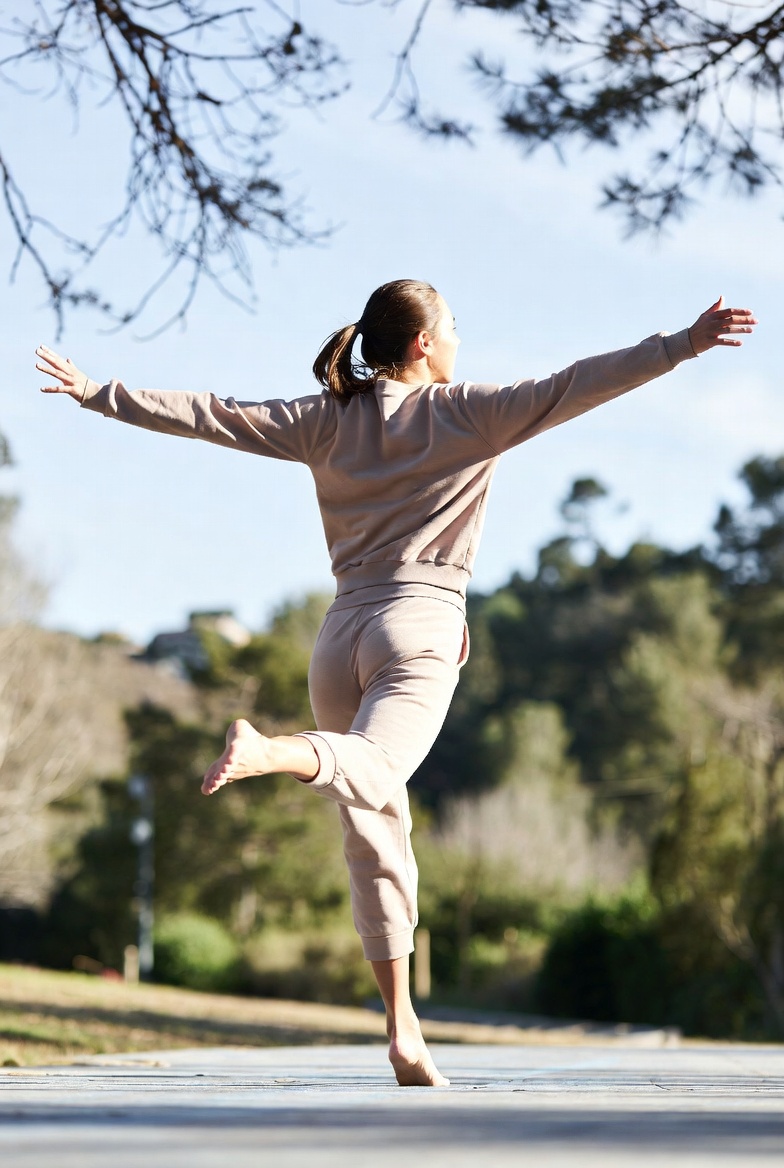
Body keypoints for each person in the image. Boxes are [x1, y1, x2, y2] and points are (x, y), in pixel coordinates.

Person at [36, 280, 756, 1086]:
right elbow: (579, 382)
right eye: (453, 328)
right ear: (422, 344)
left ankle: (404, 1031)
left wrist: (100, 393)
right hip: (417, 625)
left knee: (375, 833)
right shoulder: (471, 412)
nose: (459, 341)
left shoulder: (327, 418)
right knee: (374, 769)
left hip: (339, 634)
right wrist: (682, 344)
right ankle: (274, 752)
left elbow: (214, 414)